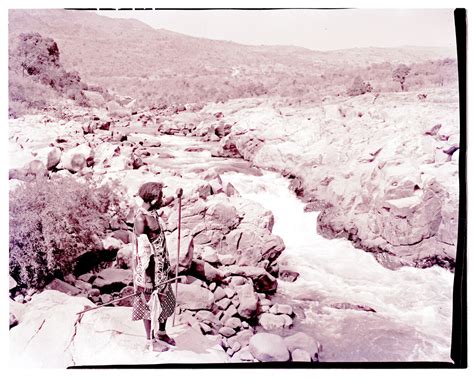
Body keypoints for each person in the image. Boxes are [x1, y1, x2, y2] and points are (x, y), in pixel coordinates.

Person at [131, 181, 183, 350]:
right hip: (149, 271)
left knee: (165, 299)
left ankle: (161, 332)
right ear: (152, 199)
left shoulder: (152, 209)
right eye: (159, 196)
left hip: (162, 266)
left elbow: (163, 202)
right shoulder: (141, 219)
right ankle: (150, 341)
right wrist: (147, 280)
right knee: (149, 304)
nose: (162, 199)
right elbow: (144, 252)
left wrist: (176, 195)